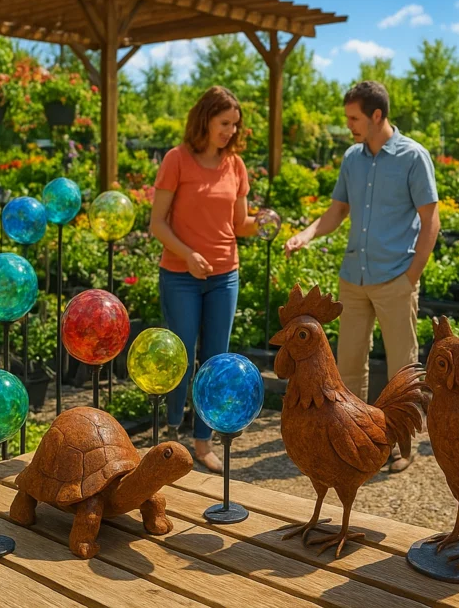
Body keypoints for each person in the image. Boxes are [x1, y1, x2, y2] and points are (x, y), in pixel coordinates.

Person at [284, 80, 440, 472]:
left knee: (402, 366)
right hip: (353, 278)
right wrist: (307, 233)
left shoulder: (413, 157)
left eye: (354, 118)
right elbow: (337, 211)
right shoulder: (352, 158)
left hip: (395, 278)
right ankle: (353, 437)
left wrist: (411, 277)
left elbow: (430, 221)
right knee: (348, 363)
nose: (349, 125)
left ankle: (403, 445)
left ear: (376, 115)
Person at [150, 86, 257, 474]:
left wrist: (262, 223)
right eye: (223, 123)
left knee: (215, 361)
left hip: (224, 275)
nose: (230, 131)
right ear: (205, 120)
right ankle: (169, 434)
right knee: (179, 357)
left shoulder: (236, 166)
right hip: (180, 276)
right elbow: (157, 223)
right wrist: (187, 254)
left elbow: (239, 225)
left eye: (234, 125)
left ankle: (202, 441)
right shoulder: (177, 160)